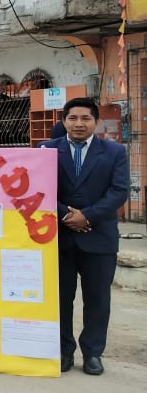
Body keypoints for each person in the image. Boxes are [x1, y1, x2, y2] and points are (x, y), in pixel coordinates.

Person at [40, 97, 130, 376]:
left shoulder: (115, 152)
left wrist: (87, 216)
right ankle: (63, 351)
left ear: (95, 122)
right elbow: (39, 189)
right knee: (60, 298)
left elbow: (119, 191)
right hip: (59, 237)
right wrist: (67, 216)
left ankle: (92, 353)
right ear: (64, 121)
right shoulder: (46, 150)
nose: (79, 124)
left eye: (85, 118)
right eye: (73, 118)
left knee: (98, 299)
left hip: (99, 237)